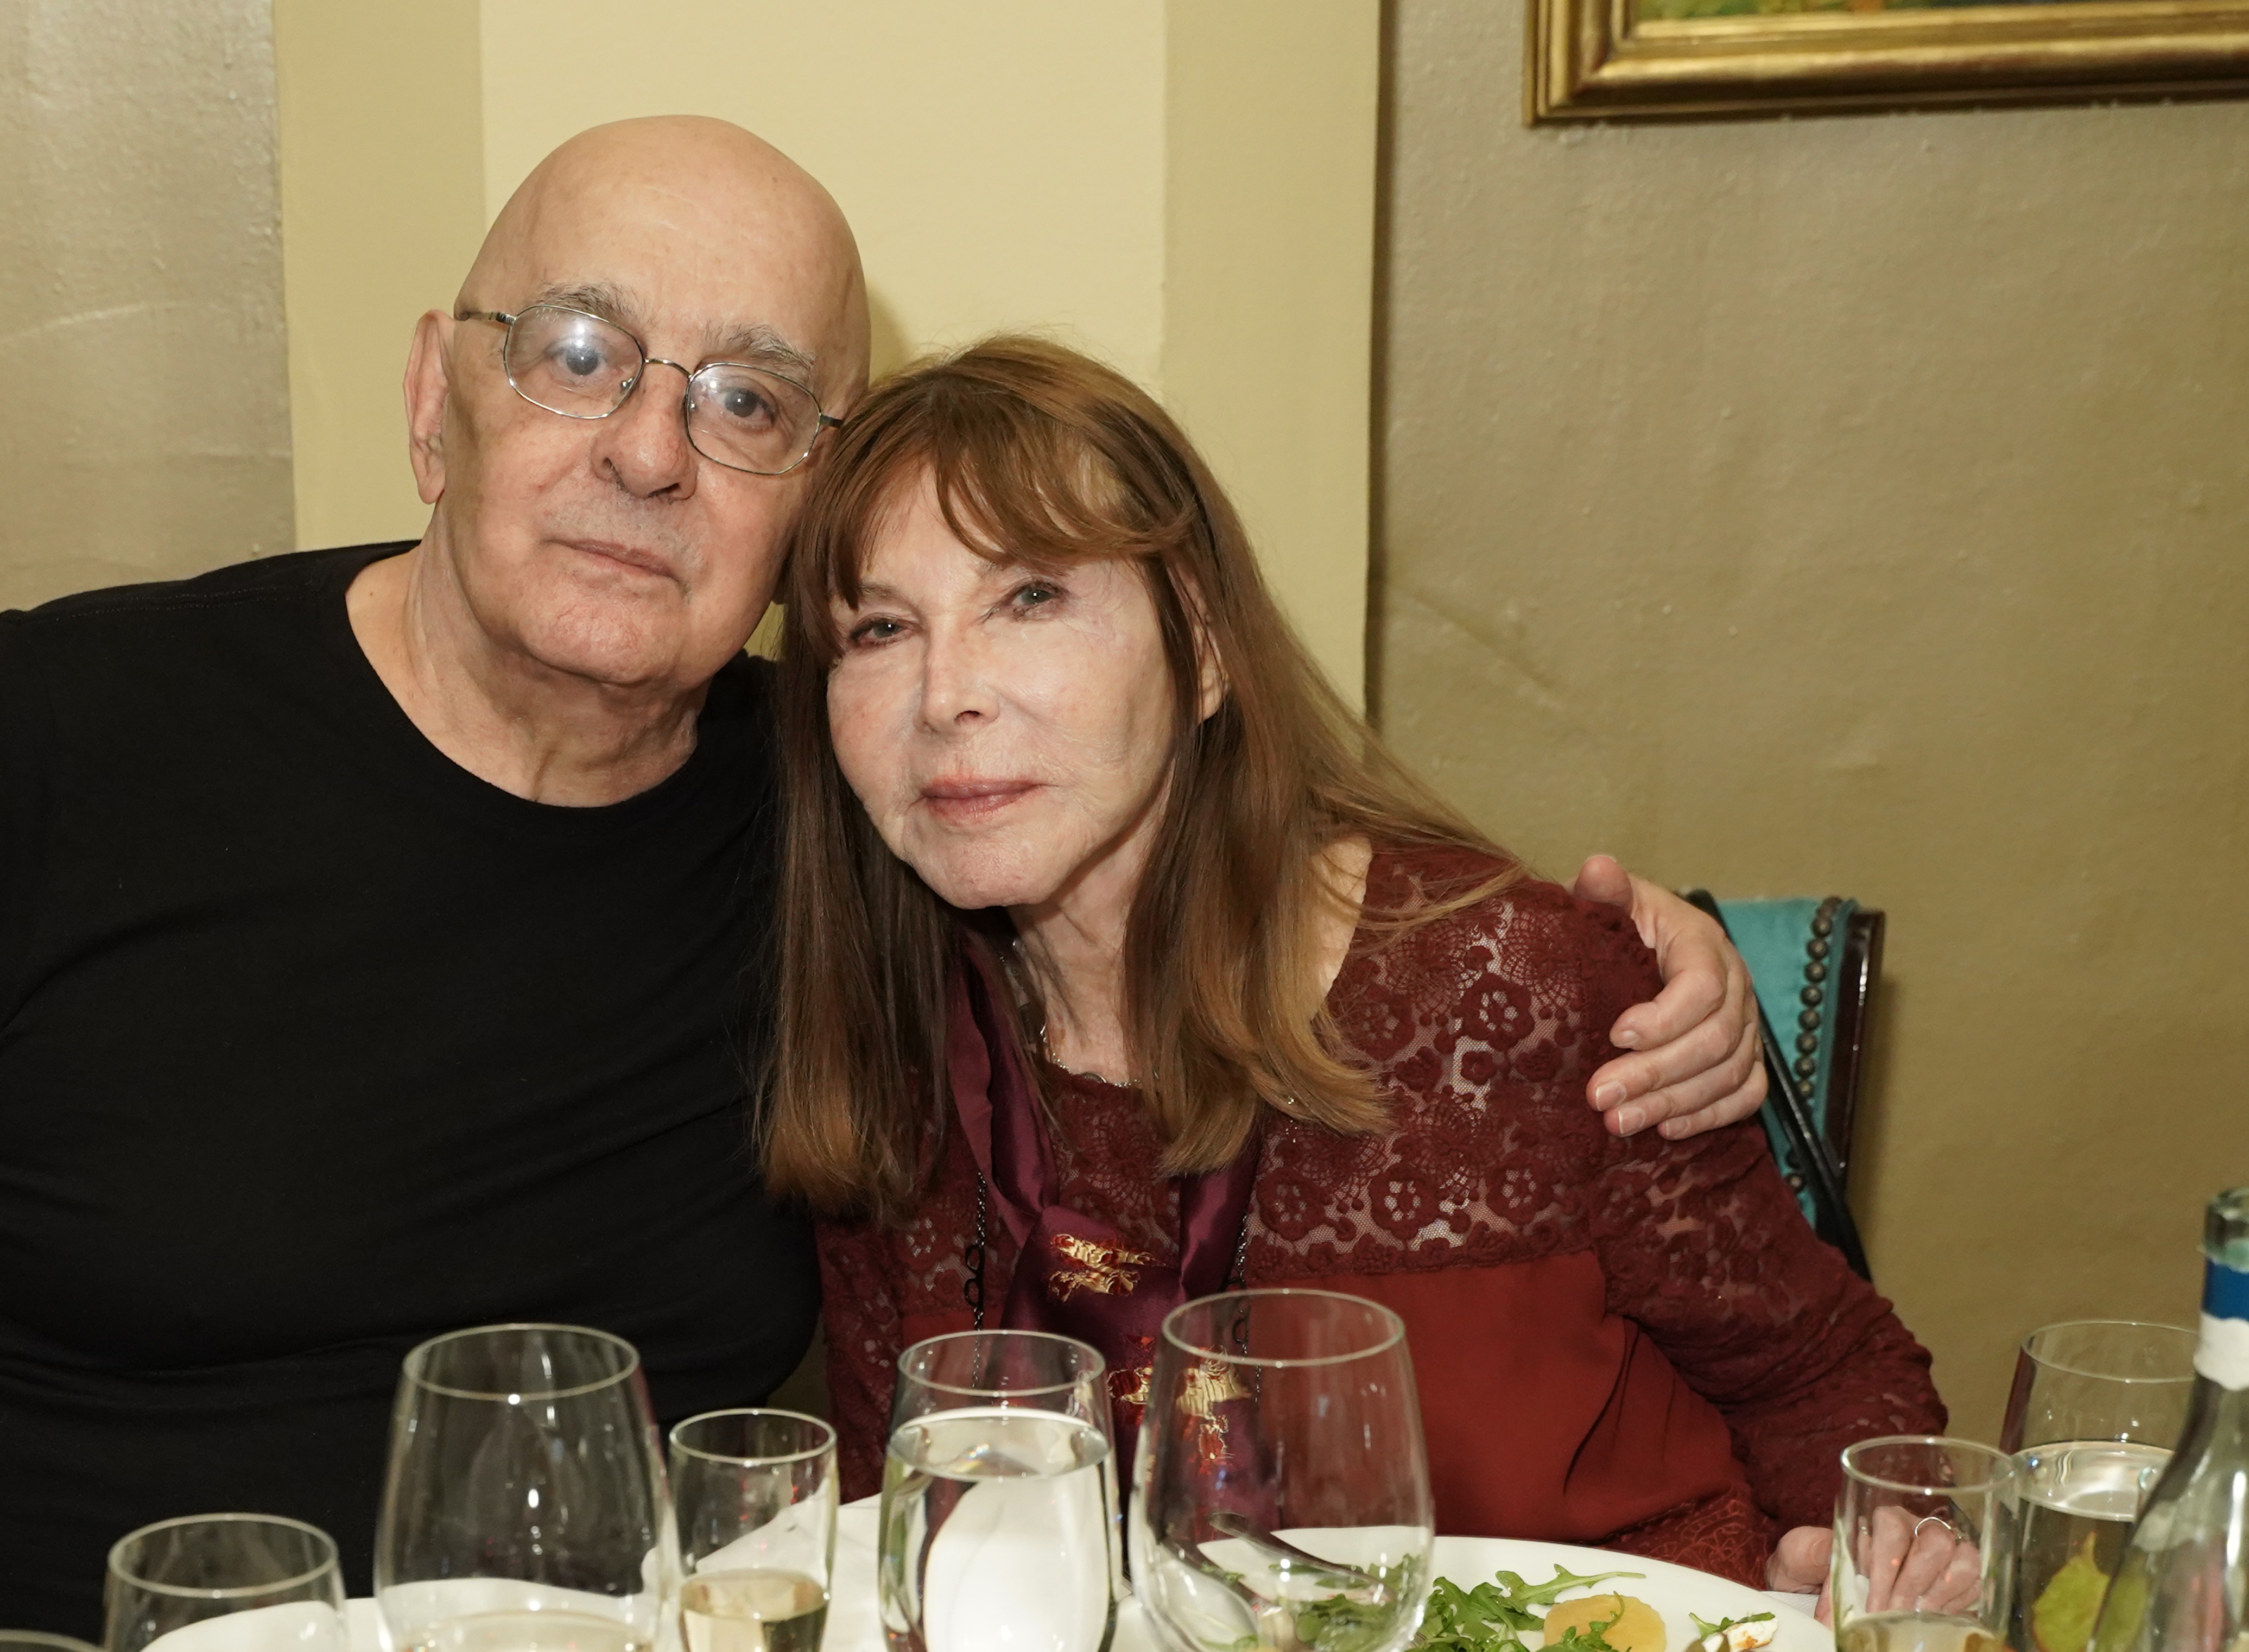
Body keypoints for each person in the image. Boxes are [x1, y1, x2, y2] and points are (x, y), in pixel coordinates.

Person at [0, 120, 1770, 1652]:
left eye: (746, 399)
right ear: (438, 400)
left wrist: (1632, 963)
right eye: (580, 354)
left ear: (813, 513)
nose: (643, 448)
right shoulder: (70, 734)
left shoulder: (862, 820)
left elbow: (1196, 853)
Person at [768, 337, 1940, 1587]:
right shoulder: (893, 1057)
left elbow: (1832, 1380)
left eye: (1031, 597)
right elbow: (885, 1528)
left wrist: (1883, 1554)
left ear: (1203, 648)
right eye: (882, 627)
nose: (947, 693)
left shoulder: (1523, 992)